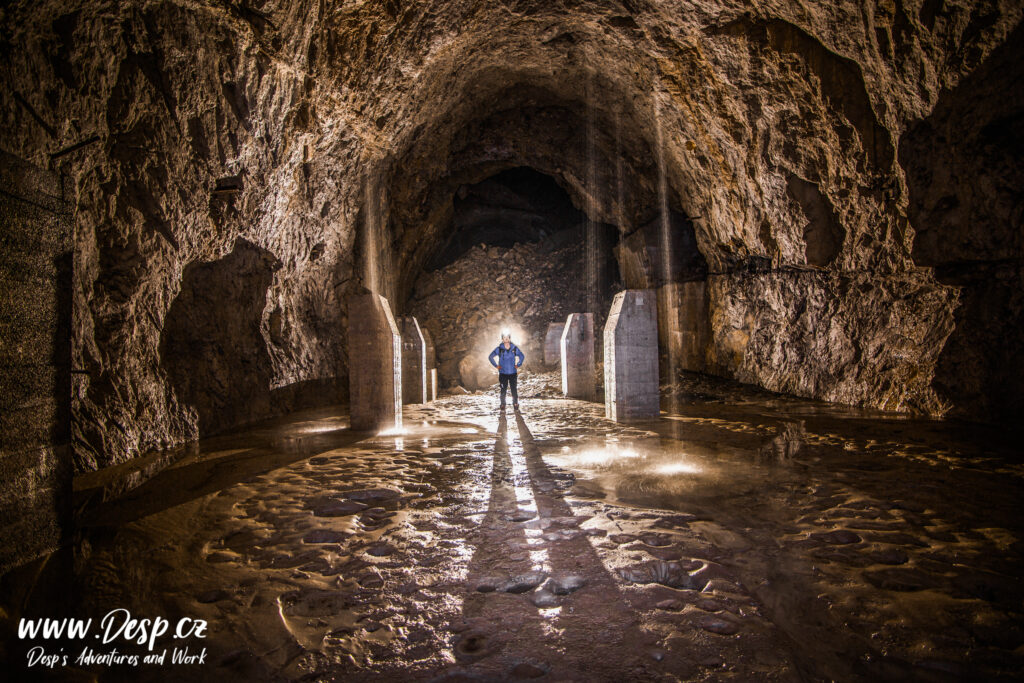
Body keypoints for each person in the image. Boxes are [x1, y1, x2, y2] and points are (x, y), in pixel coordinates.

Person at [488, 332, 525, 410]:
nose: (506, 338)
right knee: (503, 389)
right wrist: (496, 366)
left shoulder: (514, 348)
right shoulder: (499, 349)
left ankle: (515, 403)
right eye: (504, 337)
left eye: (508, 337)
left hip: (513, 373)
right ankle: (502, 404)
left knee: (513, 389)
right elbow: (490, 357)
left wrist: (518, 364)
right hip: (503, 373)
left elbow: (522, 356)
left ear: (510, 338)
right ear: (502, 339)